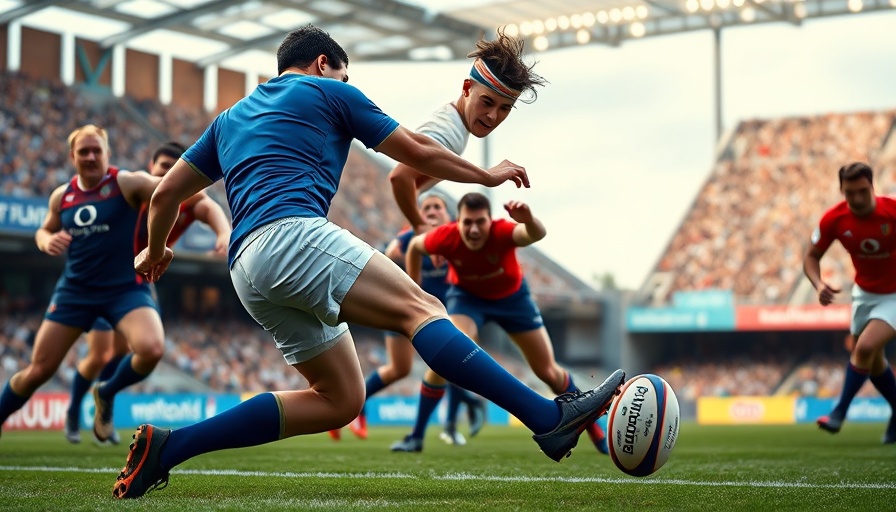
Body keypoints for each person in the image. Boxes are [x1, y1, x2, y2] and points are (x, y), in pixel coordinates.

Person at [115, 25, 624, 500]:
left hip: (247, 271)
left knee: (340, 399)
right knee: (421, 309)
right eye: (343, 73)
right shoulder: (331, 92)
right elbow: (416, 153)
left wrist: (158, 248)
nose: (345, 83)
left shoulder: (229, 119)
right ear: (321, 64)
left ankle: (170, 448)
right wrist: (486, 177)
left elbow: (163, 198)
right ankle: (546, 418)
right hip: (291, 234)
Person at [392, 192, 609, 454]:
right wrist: (417, 289)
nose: (473, 229)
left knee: (548, 372)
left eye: (480, 222)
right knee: (446, 354)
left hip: (513, 301)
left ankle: (594, 430)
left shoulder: (502, 231)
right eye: (467, 222)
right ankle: (416, 436)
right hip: (467, 298)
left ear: (490, 221)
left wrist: (528, 219)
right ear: (457, 222)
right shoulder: (445, 236)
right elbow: (415, 246)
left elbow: (534, 234)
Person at [0, 124, 166, 445]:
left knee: (151, 348)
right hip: (75, 292)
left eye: (97, 151)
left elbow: (169, 189)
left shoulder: (125, 183)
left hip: (124, 290)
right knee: (38, 370)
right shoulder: (62, 197)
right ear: (71, 156)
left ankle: (106, 391)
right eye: (83, 151)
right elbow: (43, 230)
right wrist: (45, 240)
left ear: (107, 154)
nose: (91, 157)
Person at [64, 141, 231, 445]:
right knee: (100, 353)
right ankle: (75, 412)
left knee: (127, 351)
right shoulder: (136, 191)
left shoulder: (187, 199)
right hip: (106, 278)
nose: (167, 173)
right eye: (162, 167)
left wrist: (223, 234)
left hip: (138, 283)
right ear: (151, 169)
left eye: (174, 167)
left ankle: (106, 397)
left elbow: (210, 207)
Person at [329, 192, 486, 444]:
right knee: (399, 369)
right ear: (418, 217)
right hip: (407, 309)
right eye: (426, 209)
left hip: (442, 315)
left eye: (438, 207)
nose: (432, 212)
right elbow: (388, 256)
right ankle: (355, 407)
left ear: (450, 216)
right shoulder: (409, 238)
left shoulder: (461, 238)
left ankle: (450, 423)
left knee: (454, 358)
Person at [804, 161, 896, 444]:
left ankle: (839, 412)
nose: (856, 199)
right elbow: (811, 256)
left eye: (862, 191)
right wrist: (819, 284)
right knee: (874, 361)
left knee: (864, 347)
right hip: (864, 295)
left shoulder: (892, 213)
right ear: (841, 190)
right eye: (849, 193)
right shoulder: (834, 219)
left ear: (873, 187)